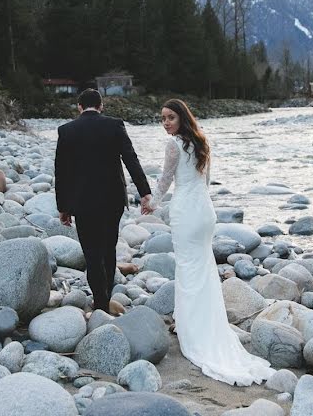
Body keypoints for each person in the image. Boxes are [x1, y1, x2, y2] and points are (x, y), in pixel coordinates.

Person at [146, 98, 274, 386]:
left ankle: (193, 331)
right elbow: (204, 182)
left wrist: (151, 204)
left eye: (170, 118)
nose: (165, 122)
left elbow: (166, 179)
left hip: (186, 212)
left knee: (189, 269)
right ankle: (203, 325)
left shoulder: (173, 145)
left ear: (181, 118)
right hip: (204, 211)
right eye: (162, 118)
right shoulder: (202, 142)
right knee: (202, 267)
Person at [55, 89, 152, 313]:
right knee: (108, 249)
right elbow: (131, 160)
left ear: (79, 107)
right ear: (101, 106)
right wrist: (145, 192)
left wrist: (63, 207)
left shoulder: (66, 131)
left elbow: (61, 172)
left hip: (82, 202)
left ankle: (100, 303)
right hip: (112, 199)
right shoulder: (115, 125)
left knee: (91, 253)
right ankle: (105, 297)